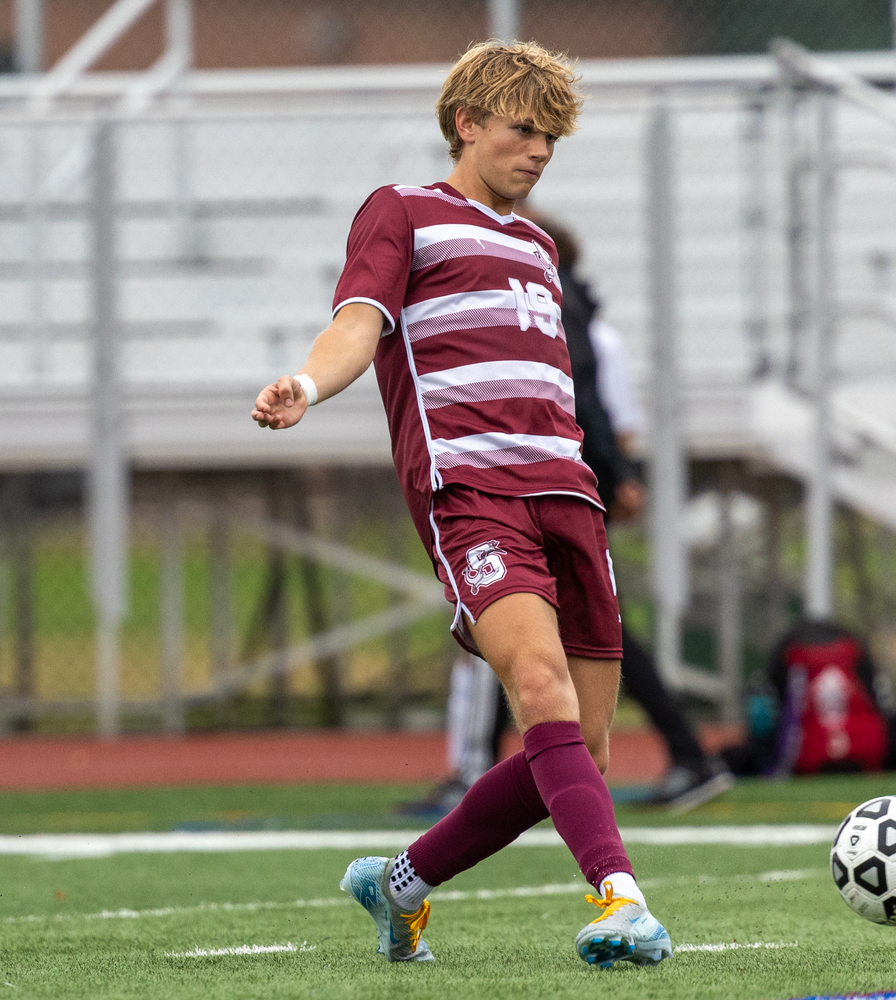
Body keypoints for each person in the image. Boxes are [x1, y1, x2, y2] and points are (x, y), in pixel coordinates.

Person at [251, 41, 671, 968]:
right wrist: (307, 386)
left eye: (551, 139)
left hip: (572, 500)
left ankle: (400, 884)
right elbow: (357, 324)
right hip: (474, 500)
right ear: (466, 124)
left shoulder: (538, 246)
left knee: (582, 755)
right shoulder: (401, 212)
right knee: (540, 692)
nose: (539, 151)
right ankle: (622, 900)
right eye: (523, 130)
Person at [406, 215, 732, 817]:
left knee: (501, 618)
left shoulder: (545, 302)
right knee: (591, 627)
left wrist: (611, 469)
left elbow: (575, 391)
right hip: (564, 476)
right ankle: (686, 752)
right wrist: (619, 471)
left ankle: (476, 769)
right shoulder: (567, 306)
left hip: (540, 480)